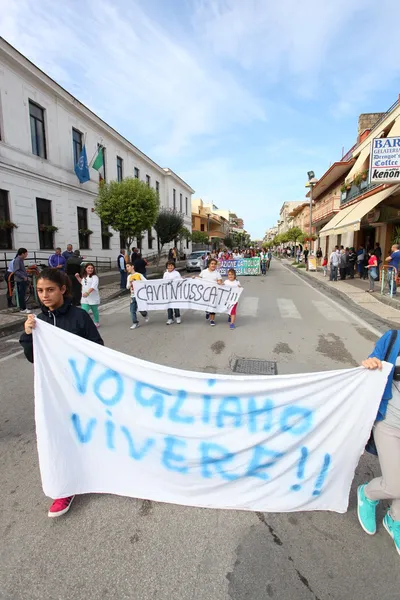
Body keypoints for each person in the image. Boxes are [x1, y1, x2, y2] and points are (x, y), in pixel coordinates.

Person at [19, 268, 103, 517]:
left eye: (50, 290)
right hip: (53, 394)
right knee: (57, 438)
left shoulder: (79, 317)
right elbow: (33, 358)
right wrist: (27, 335)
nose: (44, 295)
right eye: (40, 290)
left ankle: (96, 473)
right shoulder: (39, 322)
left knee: (85, 434)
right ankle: (64, 488)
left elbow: (98, 349)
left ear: (63, 290)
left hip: (79, 389)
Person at [358, 330, 400, 555]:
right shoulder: (394, 338)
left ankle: (394, 519)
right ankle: (368, 494)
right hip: (390, 423)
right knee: (396, 484)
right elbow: (371, 362)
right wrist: (370, 363)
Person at [196, 258, 222, 326]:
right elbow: (198, 278)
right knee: (206, 305)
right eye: (212, 264)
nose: (213, 265)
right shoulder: (204, 272)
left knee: (213, 306)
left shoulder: (217, 273)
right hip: (205, 293)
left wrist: (219, 282)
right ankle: (207, 312)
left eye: (214, 264)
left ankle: (212, 320)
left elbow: (220, 281)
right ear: (209, 264)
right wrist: (194, 278)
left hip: (214, 293)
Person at [75, 263, 100, 327]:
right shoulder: (84, 276)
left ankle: (96, 322)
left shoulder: (95, 277)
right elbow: (82, 283)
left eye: (92, 268)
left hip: (93, 297)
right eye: (89, 268)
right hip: (85, 298)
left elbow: (93, 286)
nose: (90, 269)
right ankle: (84, 323)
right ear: (85, 269)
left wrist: (87, 293)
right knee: (84, 311)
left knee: (95, 311)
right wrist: (77, 277)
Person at [126, 262, 148, 329]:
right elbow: (127, 287)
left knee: (141, 309)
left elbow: (146, 282)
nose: (127, 268)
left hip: (139, 296)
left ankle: (145, 314)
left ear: (132, 266)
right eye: (126, 267)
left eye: (128, 266)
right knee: (132, 310)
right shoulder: (129, 277)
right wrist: (130, 283)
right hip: (132, 296)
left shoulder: (139, 275)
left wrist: (139, 283)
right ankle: (135, 322)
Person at [163, 261, 182, 325]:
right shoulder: (165, 274)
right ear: (167, 267)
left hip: (175, 292)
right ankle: (170, 318)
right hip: (168, 292)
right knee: (169, 306)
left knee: (176, 305)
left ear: (174, 266)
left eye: (171, 265)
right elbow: (163, 282)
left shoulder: (176, 273)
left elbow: (180, 281)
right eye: (168, 266)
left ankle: (178, 317)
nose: (170, 267)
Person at [13, 248, 30, 313]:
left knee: (23, 294)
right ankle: (23, 308)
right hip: (20, 280)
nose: (26, 255)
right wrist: (23, 277)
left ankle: (23, 307)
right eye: (26, 254)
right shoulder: (17, 260)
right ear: (22, 253)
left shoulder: (21, 260)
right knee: (21, 294)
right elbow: (16, 271)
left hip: (23, 279)